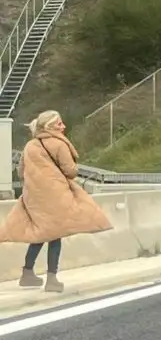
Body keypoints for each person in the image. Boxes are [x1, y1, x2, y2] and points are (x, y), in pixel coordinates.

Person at [0, 110, 113, 292]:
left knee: (41, 231)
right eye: (59, 123)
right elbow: (70, 171)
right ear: (50, 126)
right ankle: (52, 279)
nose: (63, 126)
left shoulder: (30, 146)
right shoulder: (59, 144)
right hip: (56, 195)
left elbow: (21, 172)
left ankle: (27, 272)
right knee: (55, 235)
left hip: (34, 196)